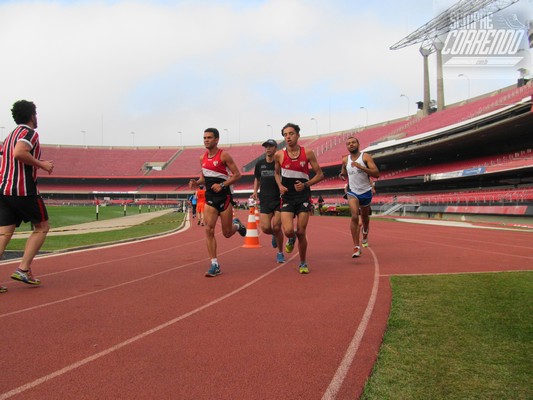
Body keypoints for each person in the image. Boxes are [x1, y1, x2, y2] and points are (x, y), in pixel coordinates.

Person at [0, 100, 54, 291]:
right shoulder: (28, 133)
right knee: (42, 227)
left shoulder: (9, 136)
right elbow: (19, 153)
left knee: (4, 233)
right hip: (23, 190)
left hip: (5, 190)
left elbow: (7, 155)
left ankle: (24, 270)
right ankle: (23, 269)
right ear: (32, 116)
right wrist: (42, 164)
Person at [189, 128, 247, 277]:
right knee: (209, 229)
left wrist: (222, 185)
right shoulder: (202, 158)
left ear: (216, 140)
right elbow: (204, 177)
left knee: (227, 233)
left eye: (209, 137)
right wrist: (196, 182)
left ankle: (236, 225)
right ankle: (214, 263)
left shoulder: (224, 155)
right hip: (210, 198)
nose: (206, 140)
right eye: (204, 138)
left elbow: (237, 175)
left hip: (224, 197)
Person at [274, 123, 324, 274]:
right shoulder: (279, 155)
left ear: (298, 135)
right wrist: (279, 185)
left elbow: (320, 174)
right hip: (287, 197)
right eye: (285, 135)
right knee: (289, 230)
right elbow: (276, 173)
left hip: (303, 196)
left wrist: (306, 184)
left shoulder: (307, 153)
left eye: (291, 133)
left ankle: (302, 262)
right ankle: (291, 238)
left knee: (301, 231)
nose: (288, 137)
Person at [339, 136, 380, 258]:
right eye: (348, 143)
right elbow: (344, 171)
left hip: (366, 192)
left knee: (365, 218)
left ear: (358, 144)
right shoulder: (345, 160)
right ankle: (356, 246)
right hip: (353, 191)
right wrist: (342, 174)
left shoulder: (365, 157)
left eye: (353, 142)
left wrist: (361, 167)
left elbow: (376, 174)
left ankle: (365, 233)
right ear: (347, 147)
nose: (351, 145)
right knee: (355, 216)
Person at [252, 139, 285, 264]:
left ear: (275, 148)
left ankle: (280, 253)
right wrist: (255, 191)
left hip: (279, 199)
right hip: (265, 199)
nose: (268, 148)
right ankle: (275, 235)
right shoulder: (260, 164)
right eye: (266, 146)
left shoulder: (280, 164)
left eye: (271, 146)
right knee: (265, 228)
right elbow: (257, 179)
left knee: (277, 227)